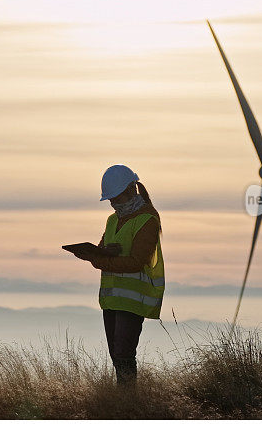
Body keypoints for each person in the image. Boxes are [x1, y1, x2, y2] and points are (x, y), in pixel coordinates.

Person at [71, 164, 165, 386]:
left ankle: (128, 401)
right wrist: (95, 254)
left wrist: (101, 259)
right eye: (110, 199)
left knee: (124, 354)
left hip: (134, 301)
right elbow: (104, 249)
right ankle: (123, 401)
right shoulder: (113, 220)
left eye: (116, 198)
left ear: (132, 190)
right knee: (116, 355)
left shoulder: (148, 220)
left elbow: (136, 262)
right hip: (112, 300)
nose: (113, 203)